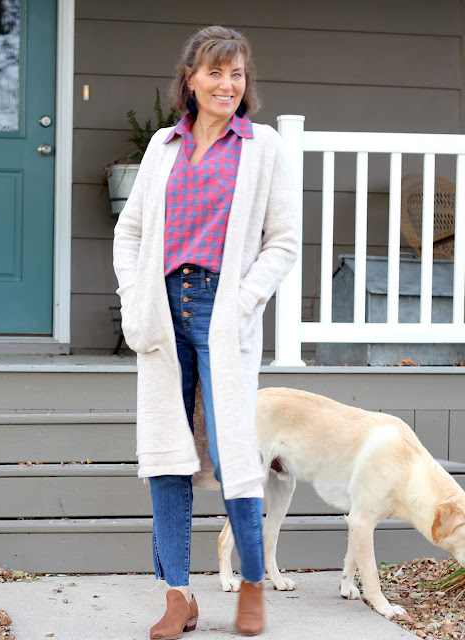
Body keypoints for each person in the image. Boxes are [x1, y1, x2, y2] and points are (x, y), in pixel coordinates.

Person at [113, 25, 298, 638]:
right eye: (216, 72)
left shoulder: (261, 147)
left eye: (238, 73)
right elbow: (131, 231)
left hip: (224, 310)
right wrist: (133, 300)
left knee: (232, 452)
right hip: (164, 310)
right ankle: (177, 595)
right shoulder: (164, 148)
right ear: (190, 78)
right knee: (167, 454)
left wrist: (244, 301)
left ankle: (251, 585)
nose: (228, 84)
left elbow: (283, 241)